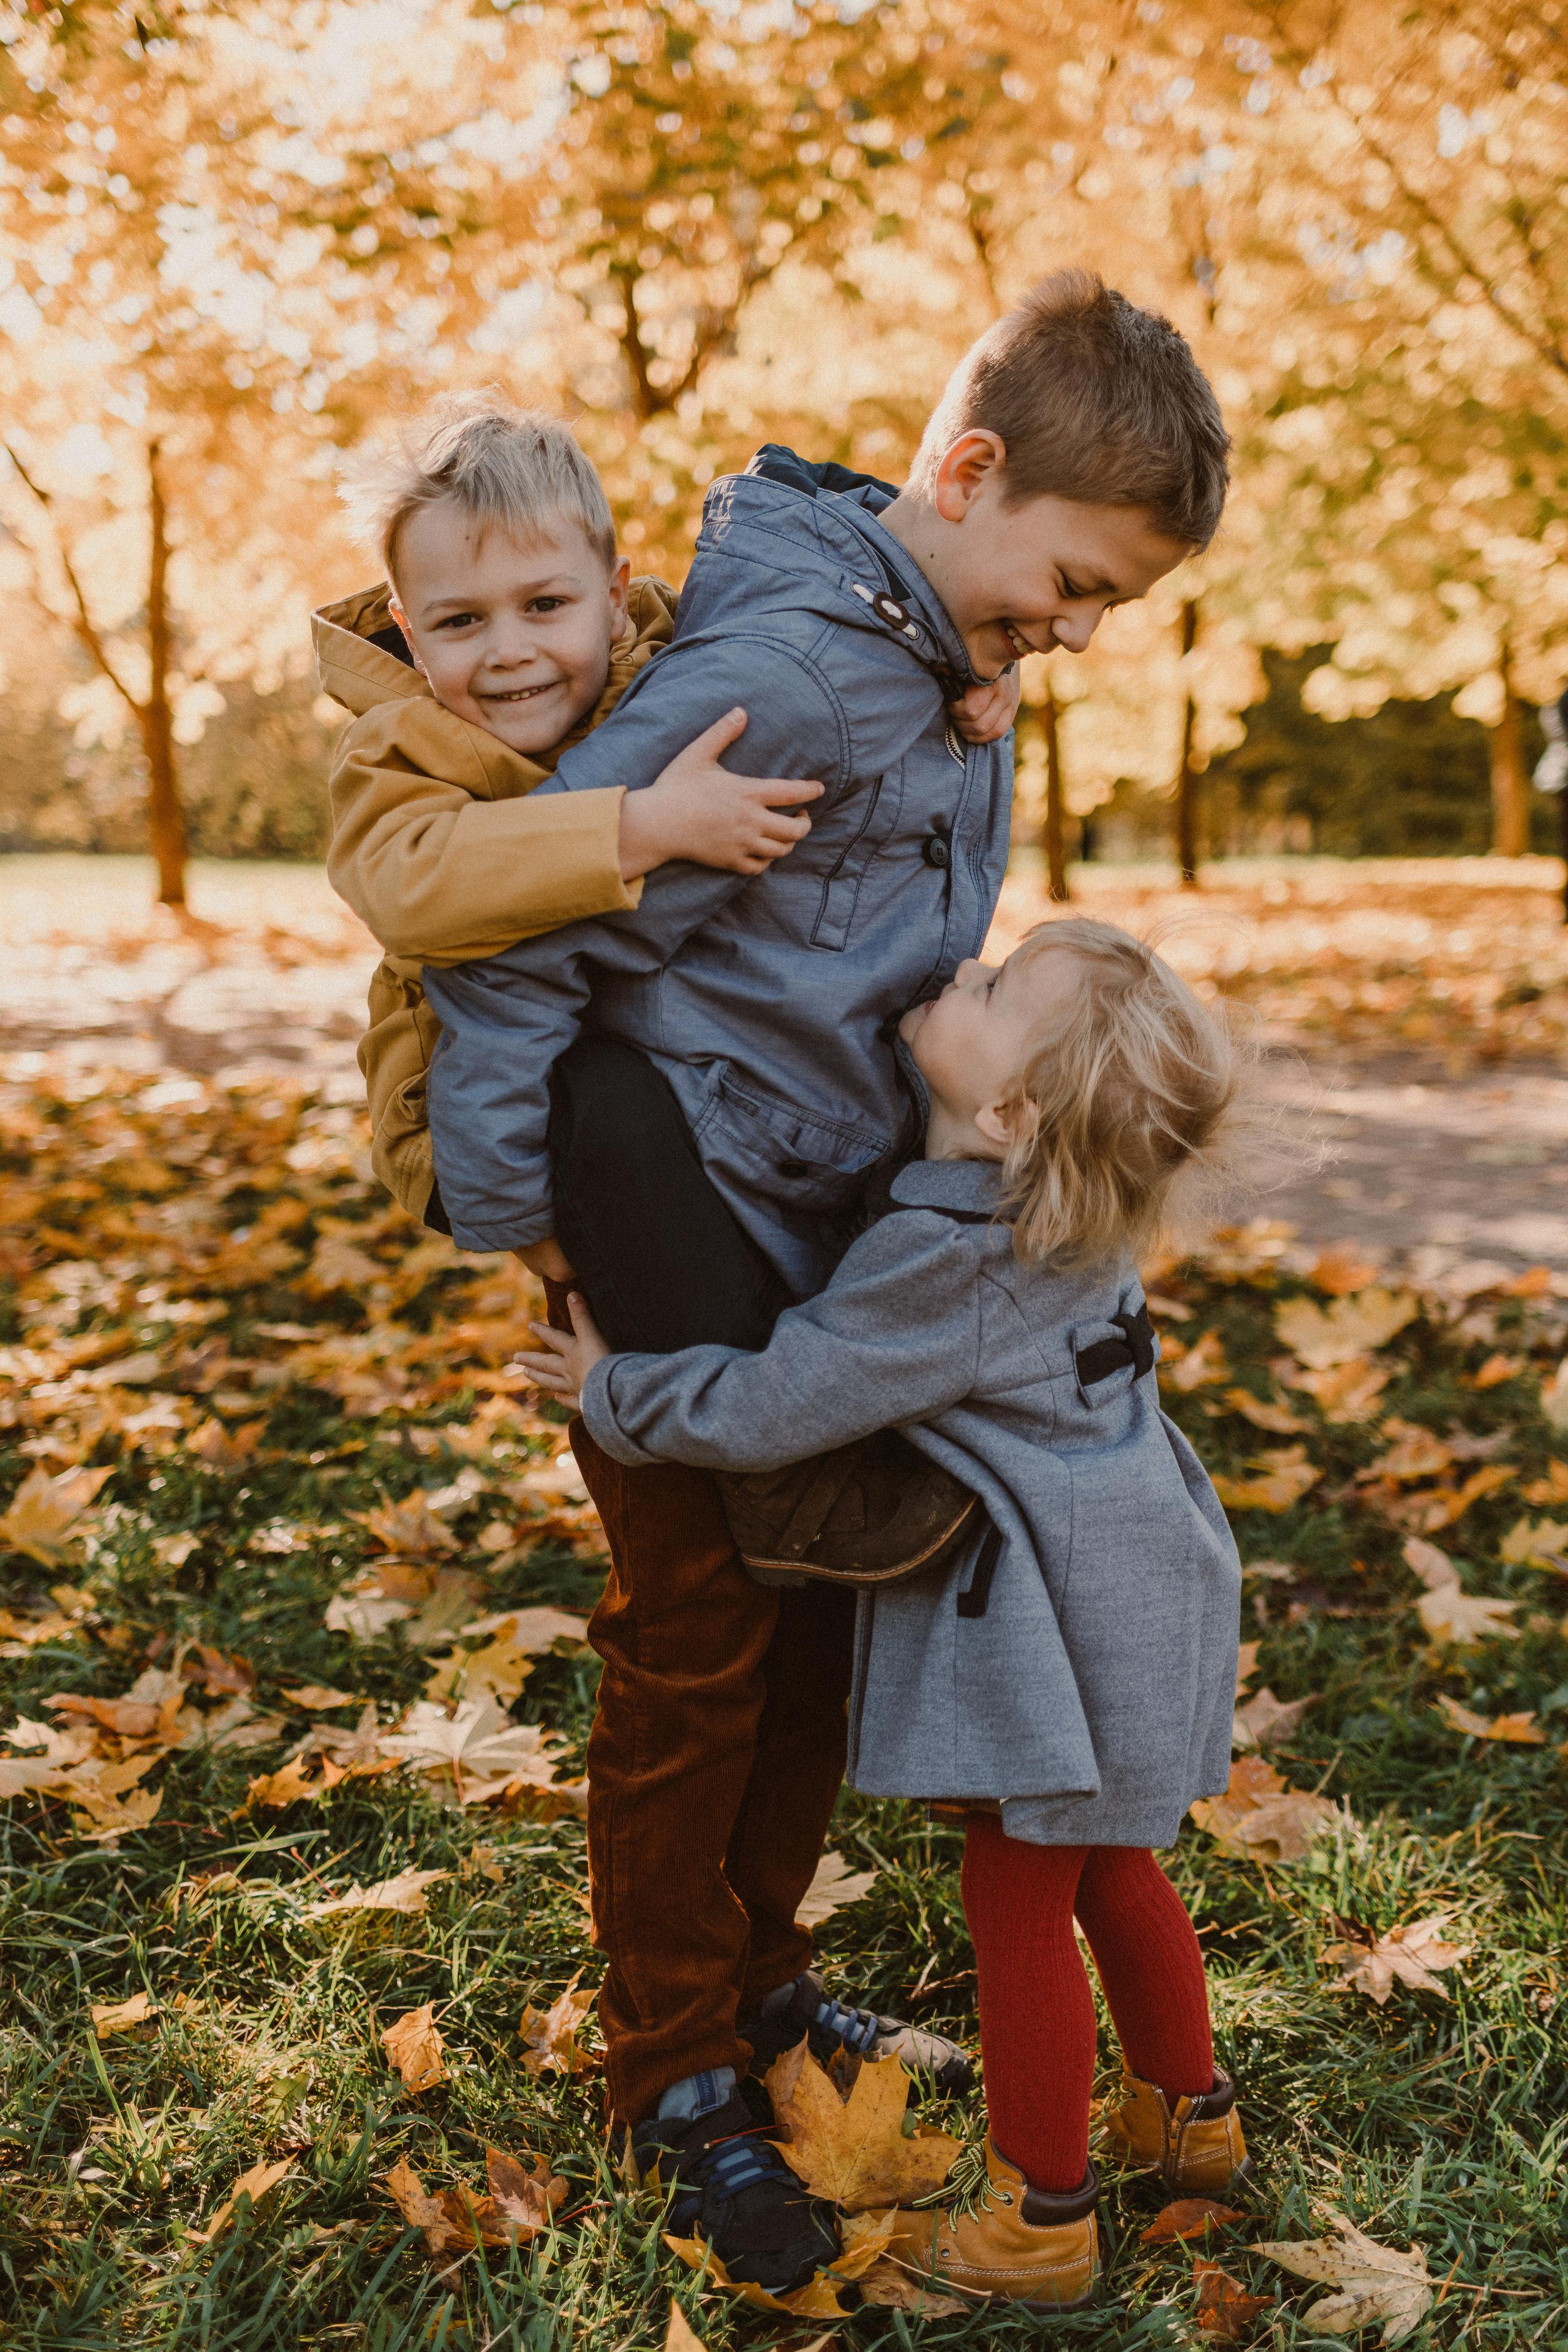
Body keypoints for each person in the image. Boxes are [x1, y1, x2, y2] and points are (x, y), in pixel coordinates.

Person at [421, 269, 1231, 2293]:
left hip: (814, 1206)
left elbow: (898, 852)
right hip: (670, 1195)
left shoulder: (931, 636)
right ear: (964, 474)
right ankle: (675, 2066)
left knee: (801, 1625)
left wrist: (986, 661)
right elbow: (530, 949)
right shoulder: (794, 667)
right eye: (1069, 583)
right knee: (698, 1639)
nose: (1073, 633)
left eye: (1104, 610)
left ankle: (764, 1989)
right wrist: (516, 1217)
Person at [521, 918, 1251, 2312]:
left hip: (1064, 1621)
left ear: (1009, 1111)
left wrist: (610, 1388)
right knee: (1113, 1866)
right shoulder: (1062, 1211)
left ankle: (1045, 2218)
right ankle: (1187, 2117)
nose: (957, 972)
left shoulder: (954, 1260)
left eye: (987, 988)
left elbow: (776, 1401)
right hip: (1148, 1579)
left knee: (1021, 1898)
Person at [314, 396, 831, 1224]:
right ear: (412, 635)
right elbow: (407, 887)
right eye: (461, 621)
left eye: (545, 606)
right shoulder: (400, 748)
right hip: (460, 1110)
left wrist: (973, 668)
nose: (509, 648)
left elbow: (828, 625)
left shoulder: (676, 659)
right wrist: (641, 828)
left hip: (653, 1049)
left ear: (616, 597)